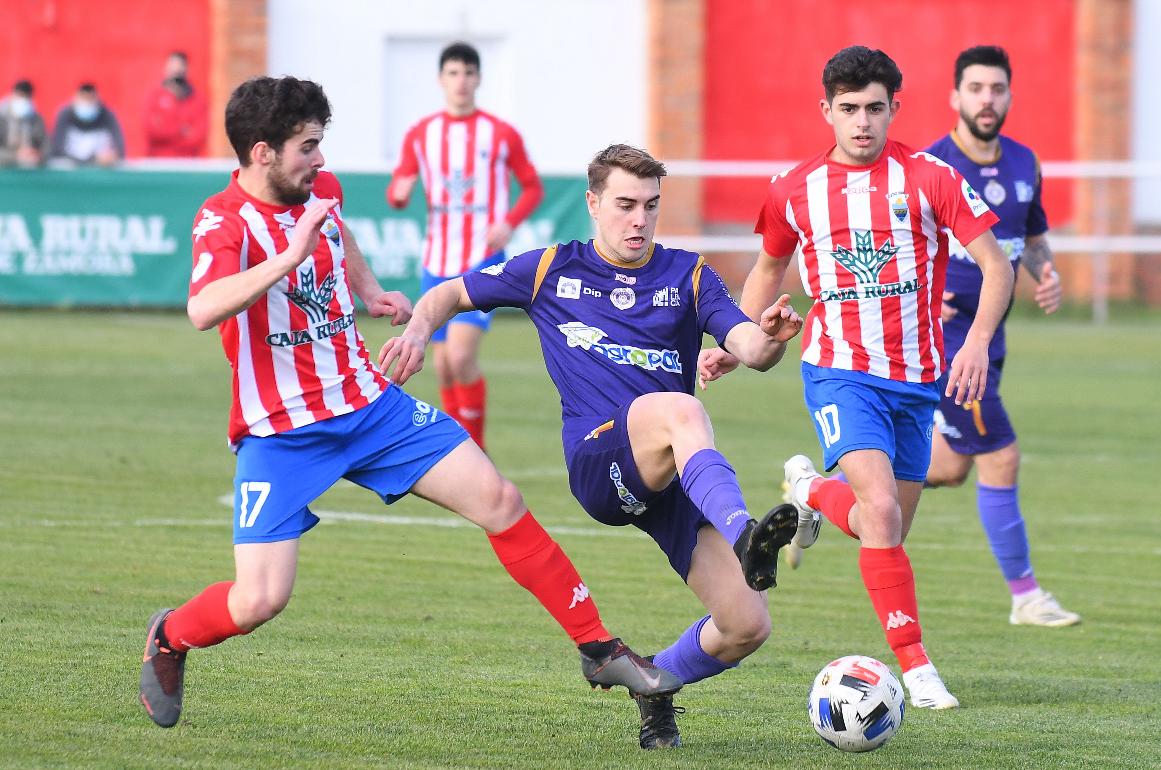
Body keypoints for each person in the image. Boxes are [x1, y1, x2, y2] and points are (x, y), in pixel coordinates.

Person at [139, 77, 680, 732]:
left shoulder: (320, 193)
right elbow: (203, 309)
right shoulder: (224, 221)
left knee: (500, 501)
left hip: (371, 405)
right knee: (258, 600)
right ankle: (171, 635)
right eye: (308, 147)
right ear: (262, 153)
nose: (321, 161)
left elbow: (338, 235)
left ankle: (598, 648)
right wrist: (289, 255)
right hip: (283, 432)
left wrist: (369, 292)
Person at [379, 144, 804, 749]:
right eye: (626, 205)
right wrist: (421, 329)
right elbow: (448, 293)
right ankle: (744, 532)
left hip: (671, 469)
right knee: (681, 408)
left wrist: (772, 338)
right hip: (600, 461)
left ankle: (654, 686)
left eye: (651, 207)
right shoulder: (552, 267)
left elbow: (752, 349)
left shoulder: (687, 273)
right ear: (593, 203)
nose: (639, 220)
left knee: (745, 624)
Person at [700, 46, 1015, 710]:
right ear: (827, 111)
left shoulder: (930, 178)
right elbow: (766, 271)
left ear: (894, 108)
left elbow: (996, 266)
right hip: (840, 371)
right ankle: (918, 668)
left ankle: (811, 490)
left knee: (887, 528)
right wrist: (739, 339)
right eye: (849, 110)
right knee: (880, 510)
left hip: (919, 379)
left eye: (875, 108)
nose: (862, 123)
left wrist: (978, 344)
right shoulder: (794, 187)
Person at [919, 45, 1079, 627]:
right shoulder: (931, 167)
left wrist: (1048, 274)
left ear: (1009, 96)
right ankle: (1026, 596)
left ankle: (815, 490)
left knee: (947, 467)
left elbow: (1030, 235)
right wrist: (920, 289)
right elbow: (898, 245)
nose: (987, 99)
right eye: (977, 88)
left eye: (997, 89)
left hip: (994, 336)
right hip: (951, 340)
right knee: (1000, 455)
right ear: (955, 96)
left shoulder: (1024, 162)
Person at [386, 41, 544, 450]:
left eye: (468, 73)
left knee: (459, 356)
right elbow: (398, 188)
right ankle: (458, 450)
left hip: (481, 259)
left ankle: (474, 448)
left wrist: (508, 223)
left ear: (478, 79)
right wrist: (400, 193)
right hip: (436, 260)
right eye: (453, 73)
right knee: (441, 365)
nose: (461, 81)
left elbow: (532, 187)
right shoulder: (422, 134)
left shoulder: (501, 133)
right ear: (442, 79)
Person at [144, 51, 208, 157]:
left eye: (180, 68)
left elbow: (198, 137)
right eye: (173, 67)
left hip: (188, 163)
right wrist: (181, 130)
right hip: (158, 162)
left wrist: (165, 127)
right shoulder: (154, 97)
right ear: (166, 70)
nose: (176, 72)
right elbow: (151, 131)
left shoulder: (197, 100)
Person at [50, 82, 124, 166]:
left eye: (90, 99)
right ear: (76, 98)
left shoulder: (107, 115)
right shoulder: (65, 115)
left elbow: (119, 147)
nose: (87, 103)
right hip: (71, 169)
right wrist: (91, 160)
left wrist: (112, 156)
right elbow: (57, 149)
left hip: (101, 169)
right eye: (84, 99)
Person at [0, 80, 48, 167]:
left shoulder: (36, 119)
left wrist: (37, 154)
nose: (23, 100)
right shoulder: (2, 117)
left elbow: (47, 146)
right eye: (20, 96)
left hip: (30, 169)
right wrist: (16, 156)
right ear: (12, 94)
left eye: (27, 97)